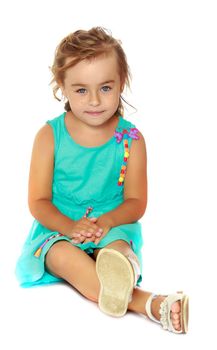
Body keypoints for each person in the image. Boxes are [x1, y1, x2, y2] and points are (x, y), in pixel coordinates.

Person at [16, 27, 189, 334]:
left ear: (121, 83)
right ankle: (149, 303)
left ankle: (123, 267)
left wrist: (108, 222)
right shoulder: (49, 136)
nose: (94, 101)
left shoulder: (131, 139)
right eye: (81, 90)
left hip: (111, 222)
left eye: (105, 88)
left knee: (117, 251)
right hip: (59, 227)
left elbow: (136, 202)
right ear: (62, 87)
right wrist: (70, 228)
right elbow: (38, 202)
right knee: (62, 256)